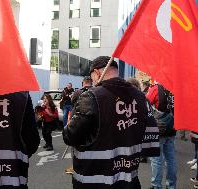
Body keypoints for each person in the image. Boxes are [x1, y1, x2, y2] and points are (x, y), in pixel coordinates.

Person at [63, 56, 159, 189]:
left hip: (93, 180)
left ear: (96, 73)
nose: (93, 82)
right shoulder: (141, 97)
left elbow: (70, 136)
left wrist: (69, 122)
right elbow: (149, 139)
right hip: (128, 179)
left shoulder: (91, 96)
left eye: (92, 78)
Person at [146, 83, 177, 189]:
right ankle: (172, 185)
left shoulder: (156, 89)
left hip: (159, 127)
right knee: (171, 159)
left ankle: (156, 185)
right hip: (172, 127)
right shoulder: (177, 88)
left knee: (156, 159)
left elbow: (145, 104)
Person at [65, 76, 93, 175]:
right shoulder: (96, 90)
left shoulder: (78, 92)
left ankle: (76, 166)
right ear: (91, 82)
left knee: (75, 144)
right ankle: (89, 166)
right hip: (92, 122)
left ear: (83, 82)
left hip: (78, 120)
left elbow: (73, 103)